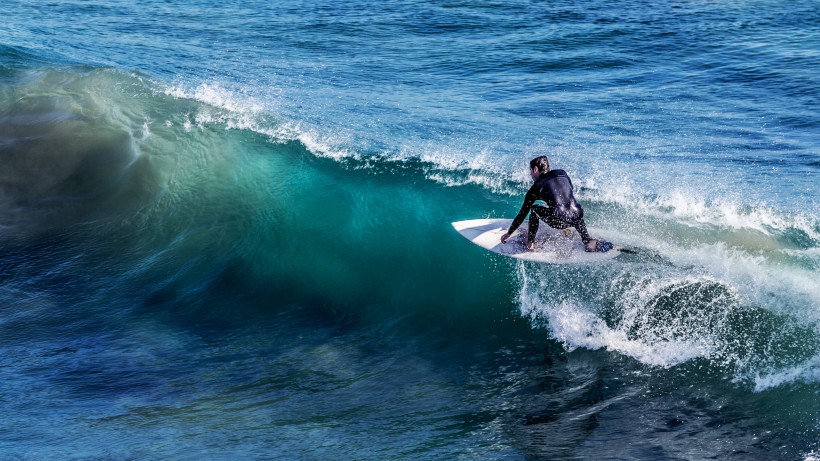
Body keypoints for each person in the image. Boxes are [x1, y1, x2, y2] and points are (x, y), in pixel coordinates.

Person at [500, 156, 601, 252]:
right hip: (578, 217)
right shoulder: (562, 173)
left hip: (560, 221)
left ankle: (530, 242)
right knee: (569, 206)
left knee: (535, 209)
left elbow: (522, 214)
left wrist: (509, 233)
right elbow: (568, 192)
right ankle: (587, 240)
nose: (530, 174)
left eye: (530, 171)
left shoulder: (536, 186)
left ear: (535, 169)